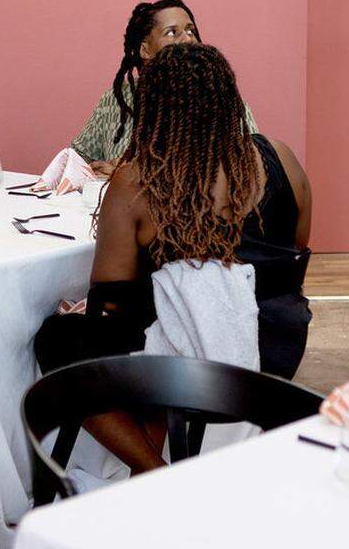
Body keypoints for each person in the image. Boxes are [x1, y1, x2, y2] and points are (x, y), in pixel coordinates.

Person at [36, 43, 312, 474]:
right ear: (228, 99)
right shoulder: (282, 159)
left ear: (153, 109)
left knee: (56, 339)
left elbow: (110, 302)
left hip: (190, 373)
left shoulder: (141, 180)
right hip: (276, 350)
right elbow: (291, 257)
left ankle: (156, 473)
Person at [70, 0, 258, 175]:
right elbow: (77, 161)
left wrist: (129, 176)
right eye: (171, 32)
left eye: (191, 30)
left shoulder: (223, 100)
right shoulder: (116, 101)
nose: (187, 39)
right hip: (123, 209)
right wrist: (94, 174)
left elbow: (246, 171)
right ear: (145, 50)